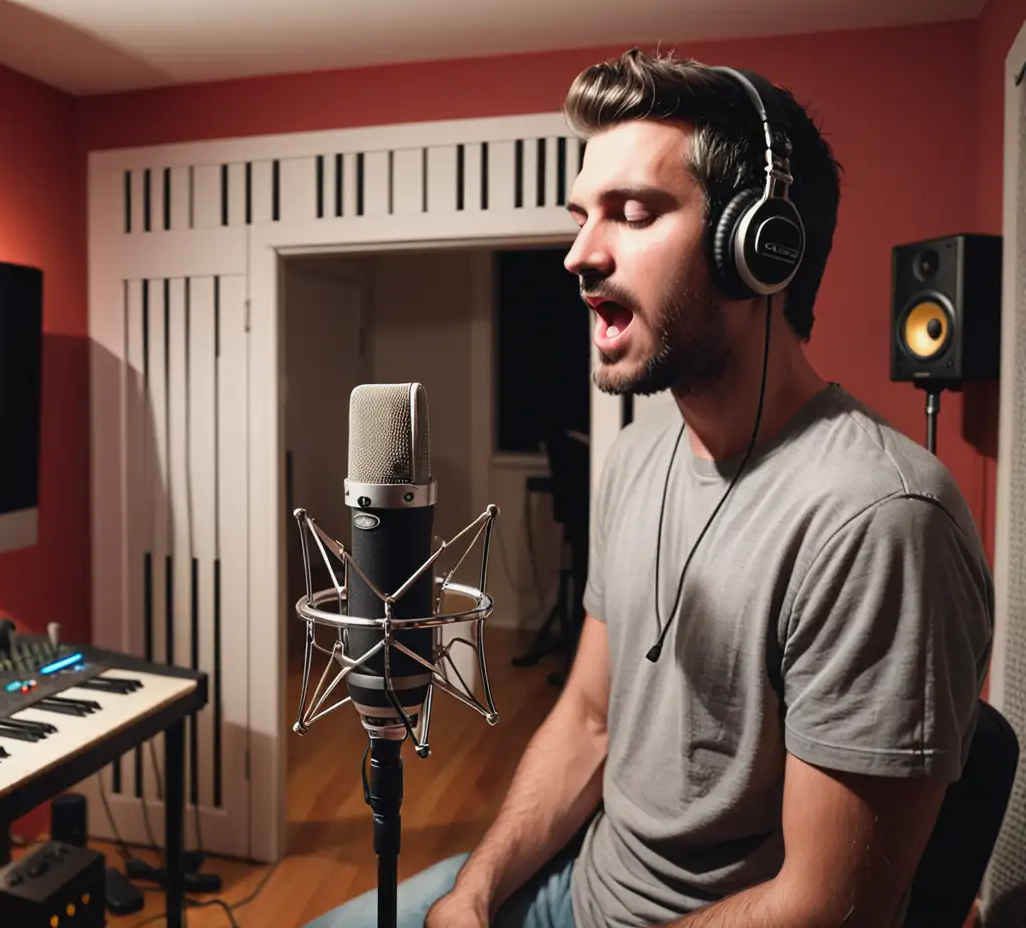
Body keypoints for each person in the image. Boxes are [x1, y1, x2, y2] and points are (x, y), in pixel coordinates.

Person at [305, 46, 993, 928]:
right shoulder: (638, 457)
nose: (579, 255)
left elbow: (823, 911)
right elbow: (588, 718)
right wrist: (474, 892)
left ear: (758, 250)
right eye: (582, 216)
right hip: (573, 886)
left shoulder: (880, 521)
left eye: (631, 213)